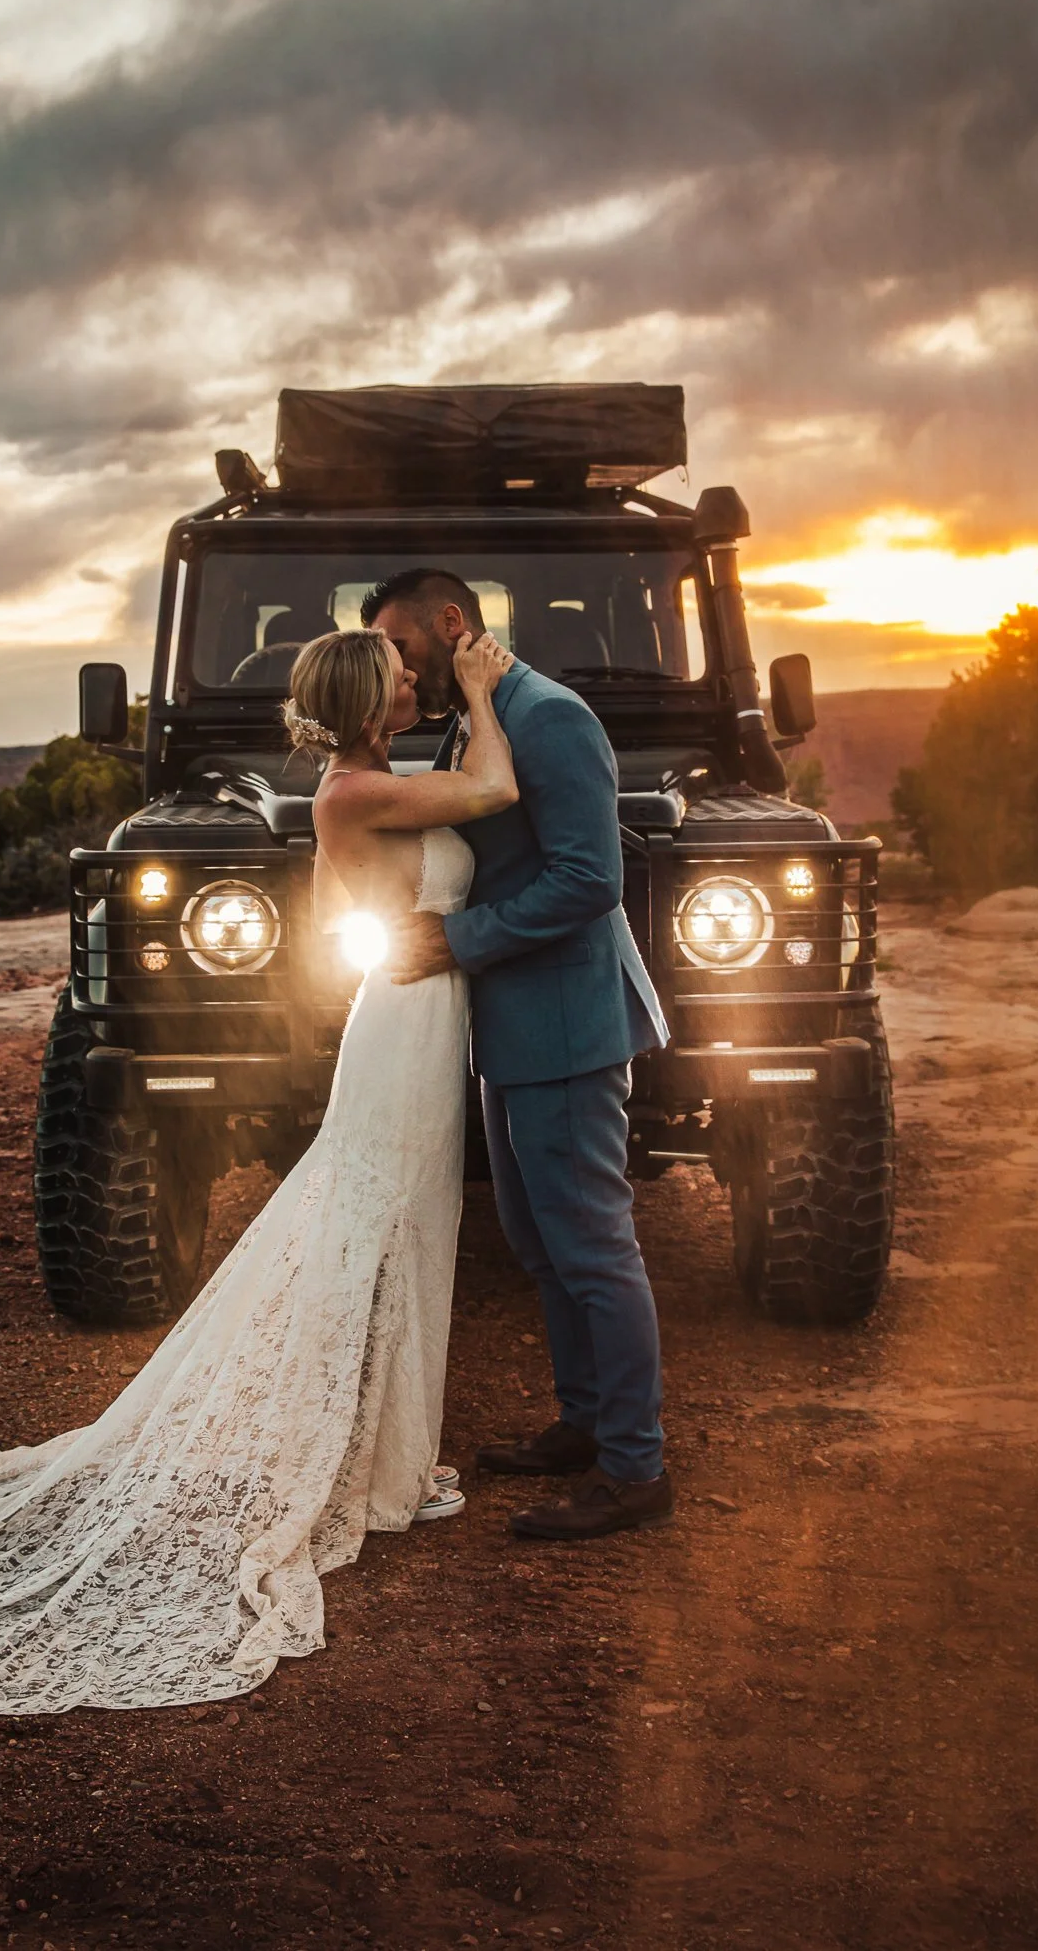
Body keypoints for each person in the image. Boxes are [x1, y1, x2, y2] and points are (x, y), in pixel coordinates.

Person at [0, 627, 515, 1714]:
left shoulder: (379, 778)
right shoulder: (351, 792)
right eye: (399, 670)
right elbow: (491, 789)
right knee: (375, 1220)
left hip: (423, 1015)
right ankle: (371, 1467)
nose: (416, 675)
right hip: (404, 1026)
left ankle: (391, 1454)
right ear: (362, 699)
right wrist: (485, 692)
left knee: (407, 1223)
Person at [365, 568, 673, 1542]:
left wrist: (454, 943)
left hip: (569, 1028)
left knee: (593, 1247)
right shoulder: (479, 713)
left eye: (402, 647)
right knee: (540, 1246)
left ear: (450, 624)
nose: (396, 669)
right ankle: (583, 1425)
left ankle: (634, 1470)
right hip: (509, 1028)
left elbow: (590, 879)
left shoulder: (548, 716)